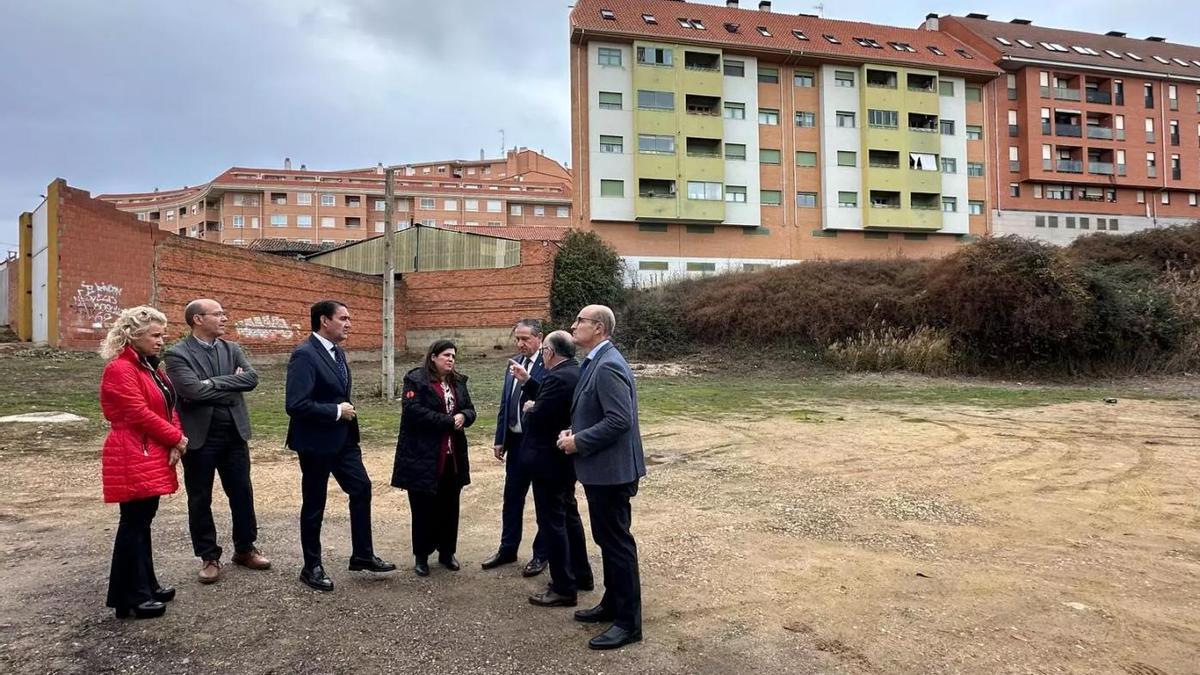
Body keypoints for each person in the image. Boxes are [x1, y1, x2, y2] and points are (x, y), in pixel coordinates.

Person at [285, 300, 395, 592]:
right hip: (316, 442)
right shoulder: (304, 355)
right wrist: (336, 412)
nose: (349, 323)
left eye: (349, 318)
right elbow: (295, 405)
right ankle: (311, 567)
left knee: (361, 488)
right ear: (324, 320)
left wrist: (342, 417)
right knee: (314, 504)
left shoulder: (338, 352)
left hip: (344, 440)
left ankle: (362, 555)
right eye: (343, 318)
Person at [557, 304, 647, 650]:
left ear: (599, 328)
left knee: (617, 544)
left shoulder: (608, 365)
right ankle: (613, 604)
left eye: (580, 320)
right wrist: (575, 429)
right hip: (602, 471)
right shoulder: (598, 360)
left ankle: (628, 623)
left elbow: (619, 420)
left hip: (611, 473)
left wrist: (578, 441)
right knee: (608, 542)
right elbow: (599, 412)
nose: (573, 324)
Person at [164, 299, 270, 584]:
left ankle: (245, 549)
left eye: (224, 313)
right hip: (201, 438)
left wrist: (211, 383)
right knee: (200, 499)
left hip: (234, 435)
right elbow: (191, 391)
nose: (224, 318)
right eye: (218, 314)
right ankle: (209, 556)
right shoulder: (177, 354)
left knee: (242, 493)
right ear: (198, 319)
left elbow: (251, 378)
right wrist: (226, 385)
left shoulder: (232, 348)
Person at [98, 306, 188, 620]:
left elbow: (168, 404)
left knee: (142, 522)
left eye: (163, 334)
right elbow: (138, 413)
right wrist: (175, 438)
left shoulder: (149, 367)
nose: (162, 340)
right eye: (155, 335)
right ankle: (129, 596)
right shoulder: (121, 369)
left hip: (149, 449)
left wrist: (175, 436)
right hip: (133, 450)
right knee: (133, 523)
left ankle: (145, 585)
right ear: (133, 335)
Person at [513, 330, 595, 608]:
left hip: (549, 461)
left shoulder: (559, 376)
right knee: (569, 516)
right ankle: (581, 575)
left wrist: (530, 409)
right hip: (562, 461)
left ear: (549, 351)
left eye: (544, 348)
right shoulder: (573, 372)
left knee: (552, 523)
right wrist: (530, 386)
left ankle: (563, 587)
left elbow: (542, 416)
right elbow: (552, 402)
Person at [391, 339, 477, 576]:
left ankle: (447, 552)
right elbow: (413, 411)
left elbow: (470, 409)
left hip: (452, 457)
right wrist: (449, 421)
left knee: (450, 506)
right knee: (423, 508)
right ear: (433, 357)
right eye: (446, 355)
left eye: (454, 356)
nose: (451, 359)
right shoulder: (416, 380)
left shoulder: (457, 381)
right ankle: (421, 555)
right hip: (423, 456)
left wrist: (464, 416)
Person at [482, 319, 548, 576]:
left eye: (525, 339)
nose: (520, 344)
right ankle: (507, 548)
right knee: (512, 498)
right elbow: (505, 403)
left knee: (543, 500)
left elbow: (551, 397)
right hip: (516, 443)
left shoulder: (550, 363)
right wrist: (500, 438)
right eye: (517, 339)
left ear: (539, 338)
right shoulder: (513, 364)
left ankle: (542, 554)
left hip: (540, 444)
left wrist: (530, 379)